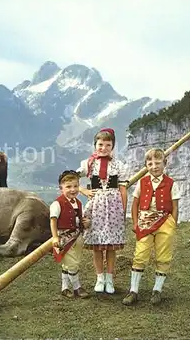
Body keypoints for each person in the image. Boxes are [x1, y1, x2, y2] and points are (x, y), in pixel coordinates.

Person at [122, 148, 181, 306]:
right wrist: (135, 222)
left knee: (163, 255)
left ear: (164, 163)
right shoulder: (142, 183)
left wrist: (172, 223)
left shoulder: (171, 183)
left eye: (158, 162)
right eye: (150, 163)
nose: (154, 166)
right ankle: (133, 291)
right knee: (140, 254)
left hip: (165, 221)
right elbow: (135, 204)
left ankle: (157, 290)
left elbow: (175, 206)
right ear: (146, 166)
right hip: (145, 221)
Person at [77, 128, 128, 294]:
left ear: (112, 146)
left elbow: (123, 190)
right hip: (96, 207)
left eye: (108, 144)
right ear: (95, 145)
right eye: (100, 144)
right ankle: (99, 277)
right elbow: (70, 178)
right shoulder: (89, 164)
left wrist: (123, 210)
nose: (104, 148)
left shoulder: (118, 165)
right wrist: (83, 191)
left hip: (114, 207)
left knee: (111, 247)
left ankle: (109, 278)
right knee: (98, 246)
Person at [49, 170, 91, 299]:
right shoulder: (57, 203)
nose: (73, 190)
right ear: (61, 188)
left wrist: (86, 222)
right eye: (68, 187)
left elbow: (79, 220)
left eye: (75, 186)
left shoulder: (78, 203)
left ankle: (65, 288)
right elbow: (53, 220)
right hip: (64, 238)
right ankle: (77, 287)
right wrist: (55, 237)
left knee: (73, 262)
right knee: (72, 263)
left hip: (77, 236)